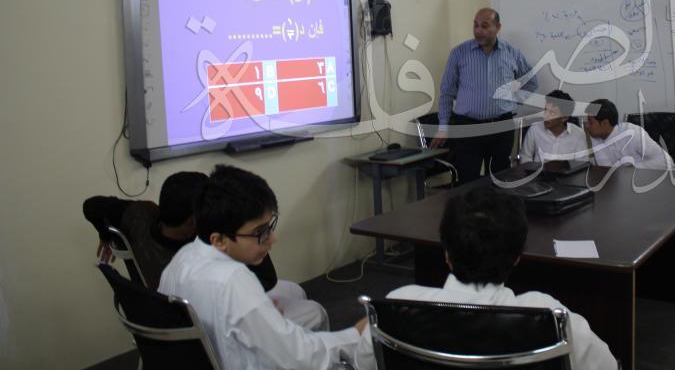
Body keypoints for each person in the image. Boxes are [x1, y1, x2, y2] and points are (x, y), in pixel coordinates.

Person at [353, 187, 617, 370]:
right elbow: (608, 365)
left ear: (446, 254)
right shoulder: (550, 315)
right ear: (517, 257)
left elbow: (363, 363)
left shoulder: (398, 305)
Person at [159, 165, 365, 370]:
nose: (272, 239)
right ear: (219, 240)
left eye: (269, 226)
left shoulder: (180, 261)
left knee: (296, 300)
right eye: (260, 231)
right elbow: (297, 357)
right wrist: (355, 334)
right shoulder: (233, 281)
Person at [84, 171, 327, 330]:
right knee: (315, 312)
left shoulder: (140, 215)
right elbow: (265, 280)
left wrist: (106, 235)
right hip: (215, 324)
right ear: (193, 221)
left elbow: (91, 206)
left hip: (161, 313)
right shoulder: (200, 253)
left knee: (295, 290)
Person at [432, 8, 538, 183]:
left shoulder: (511, 52)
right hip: (467, 127)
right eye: (475, 25)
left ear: (498, 27)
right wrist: (443, 127)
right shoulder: (459, 53)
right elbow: (446, 93)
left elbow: (531, 82)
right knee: (468, 179)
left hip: (501, 126)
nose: (478, 31)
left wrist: (513, 102)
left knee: (501, 178)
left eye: (484, 26)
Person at [584, 98, 674, 170]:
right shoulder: (595, 136)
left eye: (591, 122)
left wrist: (634, 168)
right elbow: (606, 168)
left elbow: (666, 161)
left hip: (663, 178)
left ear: (605, 123)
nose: (586, 125)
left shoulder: (634, 133)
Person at [520, 89, 589, 164]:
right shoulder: (535, 129)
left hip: (567, 172)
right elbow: (525, 156)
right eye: (545, 110)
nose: (545, 116)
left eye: (552, 113)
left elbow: (582, 164)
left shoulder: (579, 134)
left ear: (564, 118)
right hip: (539, 171)